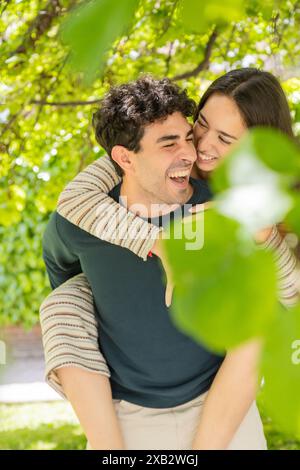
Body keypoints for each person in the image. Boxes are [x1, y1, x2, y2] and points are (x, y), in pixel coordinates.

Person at [40, 70, 300, 450]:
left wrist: (263, 235)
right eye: (202, 127)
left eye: (225, 139)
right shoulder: (113, 179)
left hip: (222, 409)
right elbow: (75, 206)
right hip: (129, 413)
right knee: (64, 300)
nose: (199, 148)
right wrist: (155, 241)